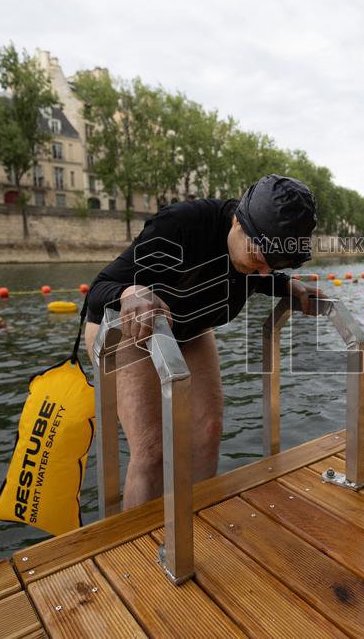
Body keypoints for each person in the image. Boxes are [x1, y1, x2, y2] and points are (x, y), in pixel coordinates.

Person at [83, 175, 324, 509]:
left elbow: (256, 273)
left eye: (279, 262)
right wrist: (130, 291)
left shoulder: (257, 262)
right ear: (238, 223)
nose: (265, 271)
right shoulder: (181, 226)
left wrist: (287, 286)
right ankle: (134, 548)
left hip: (188, 328)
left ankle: (196, 526)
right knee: (152, 450)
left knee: (208, 431)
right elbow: (98, 291)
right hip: (128, 330)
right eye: (260, 257)